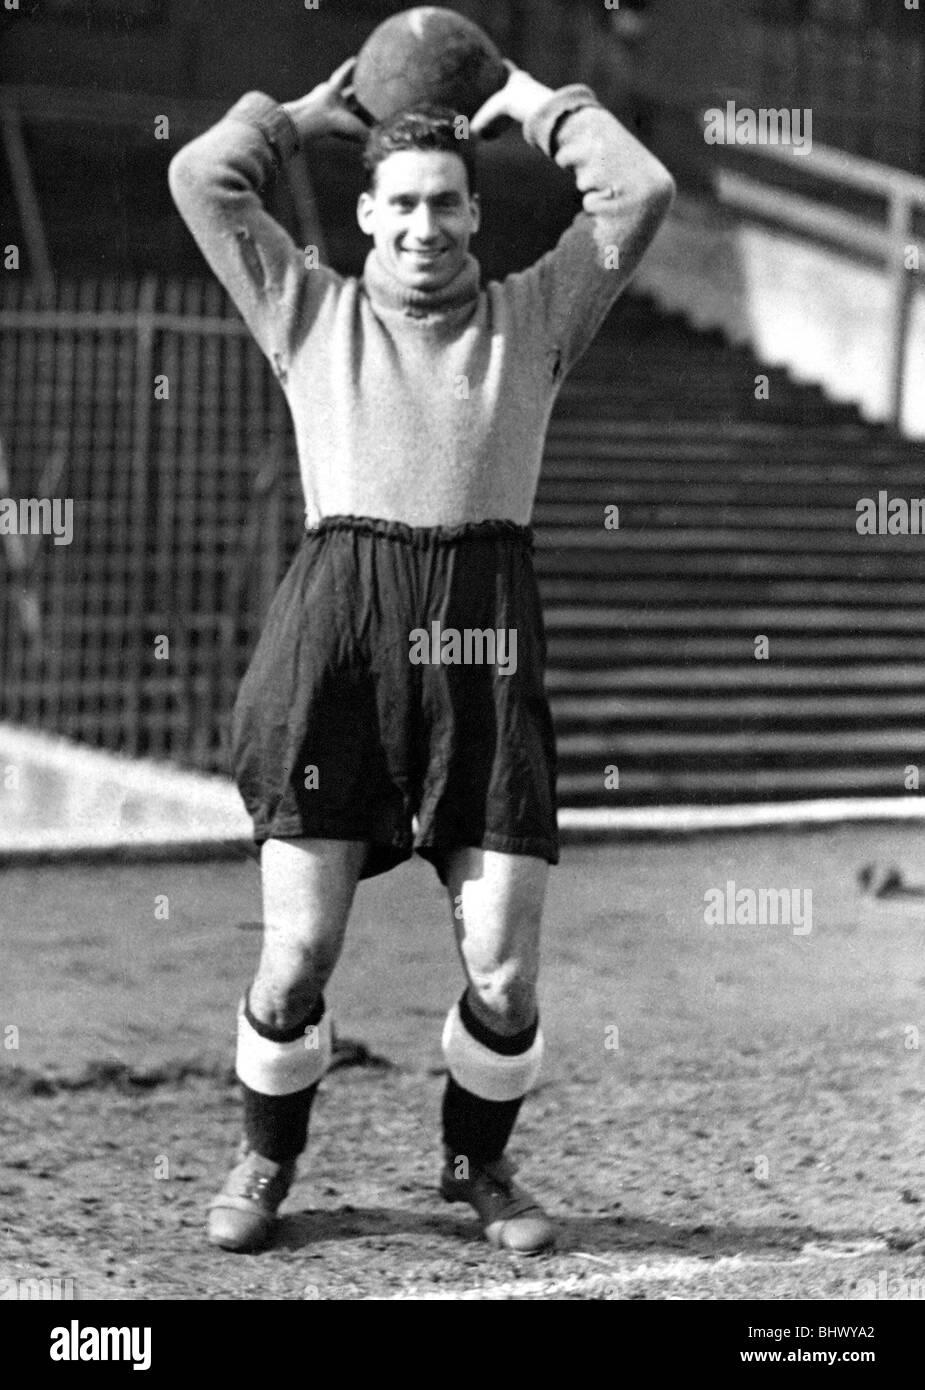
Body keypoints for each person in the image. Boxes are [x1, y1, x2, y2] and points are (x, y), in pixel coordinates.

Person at [168, 52, 674, 1256]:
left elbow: (640, 193)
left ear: (476, 214)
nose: (424, 225)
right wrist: (297, 116)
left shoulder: (536, 315)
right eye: (401, 203)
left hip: (484, 650)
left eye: (447, 201)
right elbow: (203, 179)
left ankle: (477, 1168)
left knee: (502, 971)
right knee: (297, 956)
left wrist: (538, 105)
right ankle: (266, 1158)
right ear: (365, 215)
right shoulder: (308, 307)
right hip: (336, 640)